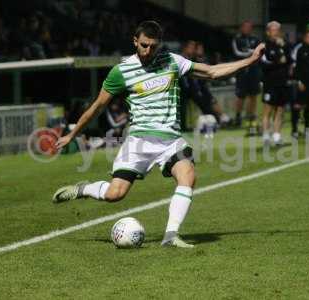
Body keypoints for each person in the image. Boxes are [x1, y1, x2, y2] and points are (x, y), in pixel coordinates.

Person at [52, 20, 264, 248]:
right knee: (115, 194)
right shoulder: (121, 71)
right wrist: (72, 134)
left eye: (153, 46)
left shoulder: (172, 61)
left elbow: (212, 72)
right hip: (139, 141)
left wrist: (250, 60)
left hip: (171, 140)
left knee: (188, 177)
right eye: (144, 45)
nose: (148, 51)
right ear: (135, 41)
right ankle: (83, 189)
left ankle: (171, 236)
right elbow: (97, 107)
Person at [261, 21, 292, 146]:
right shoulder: (264, 46)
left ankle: (277, 136)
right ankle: (265, 136)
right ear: (268, 32)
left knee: (280, 109)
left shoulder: (285, 45)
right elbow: (264, 64)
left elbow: (290, 60)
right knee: (267, 110)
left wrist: (283, 47)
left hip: (282, 82)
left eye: (277, 30)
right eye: (273, 30)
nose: (276, 33)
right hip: (270, 83)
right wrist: (279, 61)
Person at [231, 20, 261, 134]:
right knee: (240, 95)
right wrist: (251, 54)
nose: (247, 29)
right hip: (242, 71)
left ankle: (251, 117)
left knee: (253, 95)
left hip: (254, 71)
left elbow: (260, 52)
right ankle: (238, 117)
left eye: (249, 27)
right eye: (245, 27)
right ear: (241, 28)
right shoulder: (237, 39)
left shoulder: (256, 39)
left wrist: (252, 54)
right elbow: (237, 53)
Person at [291, 31, 309, 138]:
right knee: (298, 105)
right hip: (302, 82)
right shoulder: (299, 49)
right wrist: (298, 81)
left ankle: (307, 129)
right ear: (304, 38)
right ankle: (294, 130)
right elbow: (294, 66)